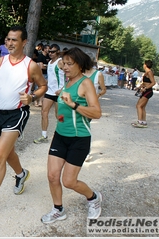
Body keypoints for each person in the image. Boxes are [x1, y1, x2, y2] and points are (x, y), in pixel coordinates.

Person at [0, 26, 47, 214]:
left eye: (14, 40)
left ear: (24, 42)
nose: (10, 43)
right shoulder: (1, 61)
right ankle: (21, 174)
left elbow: (43, 86)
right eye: (8, 39)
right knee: (8, 151)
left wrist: (32, 97)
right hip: (0, 112)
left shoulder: (31, 65)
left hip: (17, 113)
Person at [40, 47, 102, 224]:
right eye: (64, 63)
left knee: (69, 181)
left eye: (69, 64)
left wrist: (74, 105)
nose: (65, 67)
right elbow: (63, 108)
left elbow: (97, 112)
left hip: (79, 139)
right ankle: (58, 210)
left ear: (80, 65)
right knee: (52, 176)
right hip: (60, 135)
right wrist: (61, 115)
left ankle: (93, 197)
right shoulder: (66, 82)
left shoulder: (85, 83)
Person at [34, 44, 65, 144]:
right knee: (44, 112)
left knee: (59, 116)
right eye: (49, 51)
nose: (50, 53)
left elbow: (71, 76)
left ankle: (63, 135)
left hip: (59, 93)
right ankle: (44, 136)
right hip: (50, 92)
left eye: (53, 52)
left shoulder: (60, 62)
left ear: (58, 52)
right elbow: (51, 77)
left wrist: (63, 89)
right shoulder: (50, 62)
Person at [83, 60, 106, 162]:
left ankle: (86, 151)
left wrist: (97, 95)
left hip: (90, 106)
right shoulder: (80, 72)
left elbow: (104, 89)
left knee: (84, 127)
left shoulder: (98, 74)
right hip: (77, 104)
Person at [131, 60, 155, 128]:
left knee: (138, 106)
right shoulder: (146, 73)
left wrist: (145, 88)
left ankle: (140, 122)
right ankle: (143, 121)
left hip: (148, 91)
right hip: (145, 90)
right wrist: (138, 87)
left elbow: (153, 82)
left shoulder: (149, 72)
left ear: (145, 65)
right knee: (142, 106)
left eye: (144, 64)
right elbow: (144, 83)